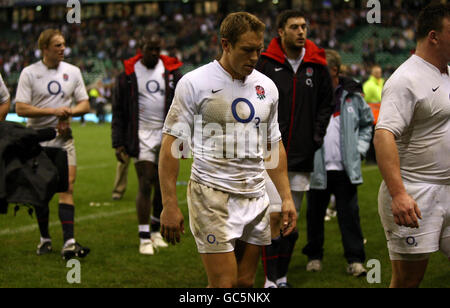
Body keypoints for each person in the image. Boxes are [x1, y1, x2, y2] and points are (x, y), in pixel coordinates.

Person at [158, 12, 297, 288]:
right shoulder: (194, 83)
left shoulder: (266, 87)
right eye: (247, 50)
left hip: (255, 195)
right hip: (211, 195)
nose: (255, 57)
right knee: (223, 284)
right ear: (226, 44)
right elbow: (170, 147)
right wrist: (169, 205)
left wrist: (286, 198)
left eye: (258, 49)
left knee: (245, 284)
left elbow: (273, 145)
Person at [255, 9, 334, 288]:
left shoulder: (317, 64)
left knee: (289, 219)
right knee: (271, 217)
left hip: (301, 154)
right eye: (294, 27)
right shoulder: (264, 63)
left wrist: (316, 136)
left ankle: (282, 276)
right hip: (267, 154)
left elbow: (327, 102)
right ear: (280, 32)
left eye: (304, 26)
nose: (301, 32)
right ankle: (269, 278)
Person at [374, 3, 450, 288]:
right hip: (416, 194)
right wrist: (399, 194)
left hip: (447, 189)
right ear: (434, 36)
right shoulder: (405, 80)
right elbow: (383, 135)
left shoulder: (446, 73)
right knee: (407, 282)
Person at [15, 29, 91, 260]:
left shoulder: (73, 71)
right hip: (36, 140)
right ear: (45, 48)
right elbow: (20, 108)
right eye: (57, 45)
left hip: (63, 140)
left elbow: (85, 105)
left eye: (63, 44)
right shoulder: (29, 73)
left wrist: (69, 112)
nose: (62, 49)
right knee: (41, 192)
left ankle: (69, 242)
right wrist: (53, 111)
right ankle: (45, 238)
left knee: (67, 187)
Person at [302, 49, 374, 276]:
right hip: (316, 168)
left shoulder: (352, 97)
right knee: (314, 216)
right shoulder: (309, 97)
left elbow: (367, 124)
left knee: (349, 216)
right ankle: (314, 256)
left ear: (333, 70)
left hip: (345, 169)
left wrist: (360, 150)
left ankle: (355, 260)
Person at [111, 32, 183, 255]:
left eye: (156, 49)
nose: (153, 53)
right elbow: (119, 111)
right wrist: (118, 142)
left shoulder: (171, 72)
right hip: (141, 134)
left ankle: (155, 231)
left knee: (164, 186)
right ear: (140, 48)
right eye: (149, 49)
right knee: (146, 182)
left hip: (167, 134)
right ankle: (144, 237)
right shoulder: (128, 75)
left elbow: (182, 103)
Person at [362, 64, 384, 163]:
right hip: (372, 114)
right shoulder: (369, 85)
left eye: (379, 72)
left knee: (376, 136)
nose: (379, 74)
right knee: (371, 137)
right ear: (373, 73)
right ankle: (370, 158)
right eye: (377, 72)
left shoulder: (381, 83)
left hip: (379, 114)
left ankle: (374, 157)